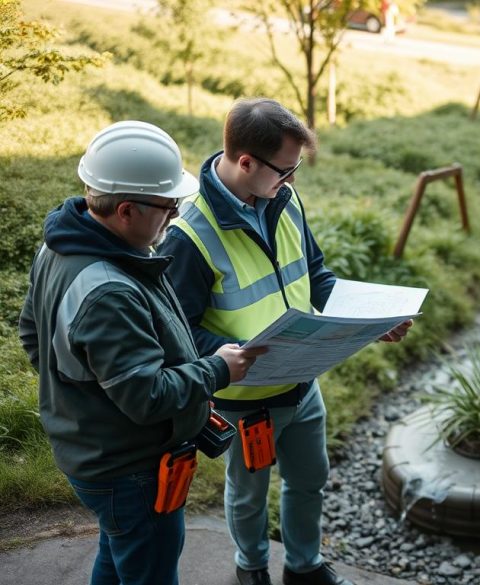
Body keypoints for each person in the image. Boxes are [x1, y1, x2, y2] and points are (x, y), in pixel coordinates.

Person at [159, 97, 412, 585]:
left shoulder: (283, 199)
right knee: (249, 491)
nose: (291, 183)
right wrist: (227, 354)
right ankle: (251, 567)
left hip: (302, 380)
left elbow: (315, 274)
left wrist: (372, 318)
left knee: (309, 480)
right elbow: (179, 333)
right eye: (285, 171)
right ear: (246, 162)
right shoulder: (189, 234)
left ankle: (302, 566)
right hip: (244, 397)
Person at [19, 121, 265, 585]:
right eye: (167, 207)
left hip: (95, 452)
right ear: (127, 209)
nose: (174, 216)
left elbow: (34, 337)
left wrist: (81, 395)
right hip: (130, 470)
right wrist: (216, 369)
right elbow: (148, 396)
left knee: (119, 556)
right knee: (149, 566)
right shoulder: (109, 289)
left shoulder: (59, 249)